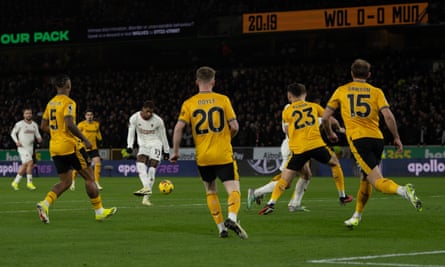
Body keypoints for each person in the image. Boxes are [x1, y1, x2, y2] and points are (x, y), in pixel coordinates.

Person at [321, 59, 422, 228]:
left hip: (359, 140)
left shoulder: (341, 90)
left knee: (377, 183)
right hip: (377, 139)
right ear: (368, 75)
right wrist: (396, 137)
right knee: (365, 178)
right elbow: (388, 117)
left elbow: (325, 118)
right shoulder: (376, 92)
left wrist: (330, 133)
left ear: (351, 73)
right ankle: (356, 216)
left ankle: (403, 190)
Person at [170, 66, 248, 239]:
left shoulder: (189, 103)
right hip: (222, 153)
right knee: (233, 189)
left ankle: (221, 228)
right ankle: (232, 217)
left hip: (203, 157)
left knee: (211, 190)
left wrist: (175, 151)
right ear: (213, 81)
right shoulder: (223, 100)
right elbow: (234, 126)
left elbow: (178, 128)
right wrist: (227, 136)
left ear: (197, 82)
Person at [259, 82, 352, 215]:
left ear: (289, 95)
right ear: (305, 94)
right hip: (316, 145)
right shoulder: (314, 106)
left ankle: (271, 203)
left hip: (298, 149)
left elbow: (287, 131)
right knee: (334, 163)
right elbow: (328, 119)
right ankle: (342, 196)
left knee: (285, 178)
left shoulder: (287, 111)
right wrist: (332, 133)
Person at [37, 74, 116, 224]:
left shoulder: (50, 103)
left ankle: (44, 204)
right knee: (90, 178)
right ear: (68, 86)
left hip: (55, 147)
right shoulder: (69, 102)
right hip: (70, 146)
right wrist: (85, 139)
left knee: (65, 182)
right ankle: (99, 211)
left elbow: (43, 126)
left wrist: (57, 133)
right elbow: (70, 124)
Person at [247, 111, 349, 212]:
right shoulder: (307, 110)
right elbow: (330, 120)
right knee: (287, 181)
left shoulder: (293, 110)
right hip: (295, 147)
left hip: (299, 146)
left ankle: (294, 204)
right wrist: (339, 129)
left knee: (305, 175)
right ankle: (257, 193)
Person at [126, 100, 170, 206]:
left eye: (151, 112)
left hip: (156, 143)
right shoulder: (134, 118)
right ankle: (146, 187)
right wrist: (130, 145)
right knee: (140, 163)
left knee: (152, 167)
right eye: (147, 111)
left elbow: (163, 135)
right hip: (143, 145)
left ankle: (146, 198)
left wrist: (166, 150)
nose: (149, 114)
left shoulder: (158, 121)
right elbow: (131, 133)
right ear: (143, 109)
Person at [10, 108, 43, 191]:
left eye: (30, 113)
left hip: (30, 148)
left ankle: (15, 182)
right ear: (23, 115)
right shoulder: (19, 124)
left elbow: (37, 134)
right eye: (26, 113)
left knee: (25, 165)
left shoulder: (34, 125)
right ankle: (29, 182)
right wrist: (17, 142)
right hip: (22, 148)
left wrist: (39, 138)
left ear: (31, 114)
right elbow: (13, 133)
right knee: (30, 162)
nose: (28, 115)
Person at [70, 109, 103, 191]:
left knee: (98, 164)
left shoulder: (96, 124)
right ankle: (72, 182)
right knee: (79, 167)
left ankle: (96, 182)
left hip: (93, 148)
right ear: (85, 116)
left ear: (93, 116)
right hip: (83, 148)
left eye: (91, 115)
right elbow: (75, 134)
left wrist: (100, 139)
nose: (89, 116)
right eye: (88, 115)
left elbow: (98, 134)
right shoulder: (81, 125)